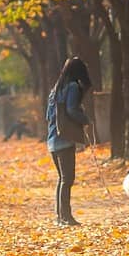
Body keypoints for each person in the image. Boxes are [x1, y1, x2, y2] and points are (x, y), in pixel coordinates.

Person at [46, 56, 92, 226]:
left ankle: (60, 217)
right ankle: (66, 217)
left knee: (62, 178)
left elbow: (47, 116)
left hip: (52, 139)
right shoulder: (72, 87)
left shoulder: (55, 90)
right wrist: (85, 119)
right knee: (68, 178)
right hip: (64, 139)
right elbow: (72, 110)